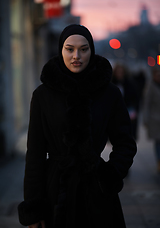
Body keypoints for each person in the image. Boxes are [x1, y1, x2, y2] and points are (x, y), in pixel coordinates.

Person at [18, 24, 137, 228]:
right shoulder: (43, 96)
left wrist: (109, 176)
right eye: (69, 48)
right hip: (55, 194)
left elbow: (125, 143)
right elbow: (35, 155)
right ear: (60, 50)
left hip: (98, 195)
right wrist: (33, 208)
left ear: (91, 50)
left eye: (84, 49)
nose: (76, 56)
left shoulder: (109, 93)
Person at [112, 63, 139, 140]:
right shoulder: (112, 84)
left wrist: (134, 109)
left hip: (128, 110)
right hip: (115, 112)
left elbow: (135, 98)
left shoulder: (130, 84)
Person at [143, 66, 160, 173]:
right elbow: (146, 104)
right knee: (158, 142)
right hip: (155, 119)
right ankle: (159, 161)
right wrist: (146, 119)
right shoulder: (150, 86)